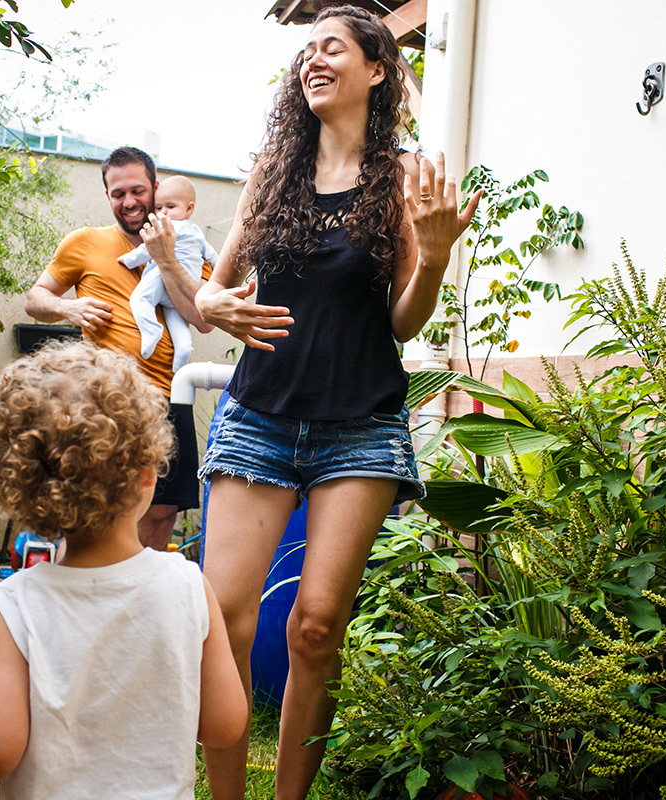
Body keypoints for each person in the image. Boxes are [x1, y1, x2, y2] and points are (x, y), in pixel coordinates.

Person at [192, 7, 482, 800]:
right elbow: (211, 293)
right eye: (306, 50)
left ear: (377, 70)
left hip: (359, 427)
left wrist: (436, 254)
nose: (313, 59)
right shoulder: (272, 173)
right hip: (260, 417)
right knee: (223, 615)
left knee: (317, 628)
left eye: (332, 47)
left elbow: (403, 320)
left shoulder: (401, 179)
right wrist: (214, 308)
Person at [0, 341, 248, 800]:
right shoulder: (187, 586)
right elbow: (224, 726)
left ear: (20, 486)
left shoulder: (17, 606)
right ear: (147, 471)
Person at [24, 147, 214, 551]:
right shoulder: (85, 243)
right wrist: (66, 306)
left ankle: (137, 602)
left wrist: (165, 260)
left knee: (160, 511)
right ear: (108, 195)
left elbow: (203, 319)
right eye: (117, 193)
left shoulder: (189, 246)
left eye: (137, 191)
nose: (128, 202)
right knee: (92, 508)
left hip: (168, 398)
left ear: (155, 189)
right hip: (102, 400)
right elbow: (35, 299)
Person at [119, 175, 219, 373]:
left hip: (164, 277)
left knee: (140, 299)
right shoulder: (197, 233)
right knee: (180, 334)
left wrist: (129, 260)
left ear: (189, 208)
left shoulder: (166, 227)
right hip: (184, 288)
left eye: (170, 207)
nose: (163, 212)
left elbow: (148, 250)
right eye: (158, 208)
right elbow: (213, 256)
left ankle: (151, 330)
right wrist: (219, 277)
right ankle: (181, 362)